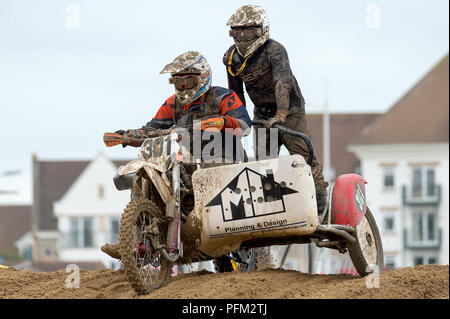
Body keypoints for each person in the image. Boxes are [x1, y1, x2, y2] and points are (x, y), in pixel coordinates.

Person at [101, 51, 252, 259]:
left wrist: (223, 122)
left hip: (223, 160)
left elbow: (244, 125)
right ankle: (133, 241)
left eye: (189, 81)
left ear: (202, 77)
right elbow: (152, 128)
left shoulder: (223, 97)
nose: (184, 87)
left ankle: (218, 227)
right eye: (178, 83)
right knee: (144, 176)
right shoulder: (173, 104)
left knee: (209, 172)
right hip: (187, 160)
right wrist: (128, 137)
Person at [223, 5, 329, 215]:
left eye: (249, 32)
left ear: (263, 30)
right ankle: (271, 212)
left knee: (303, 158)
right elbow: (235, 94)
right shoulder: (231, 58)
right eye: (238, 32)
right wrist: (237, 119)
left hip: (290, 110)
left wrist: (281, 113)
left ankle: (320, 208)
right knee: (263, 166)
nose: (243, 38)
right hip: (262, 114)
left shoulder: (275, 50)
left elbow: (282, 82)